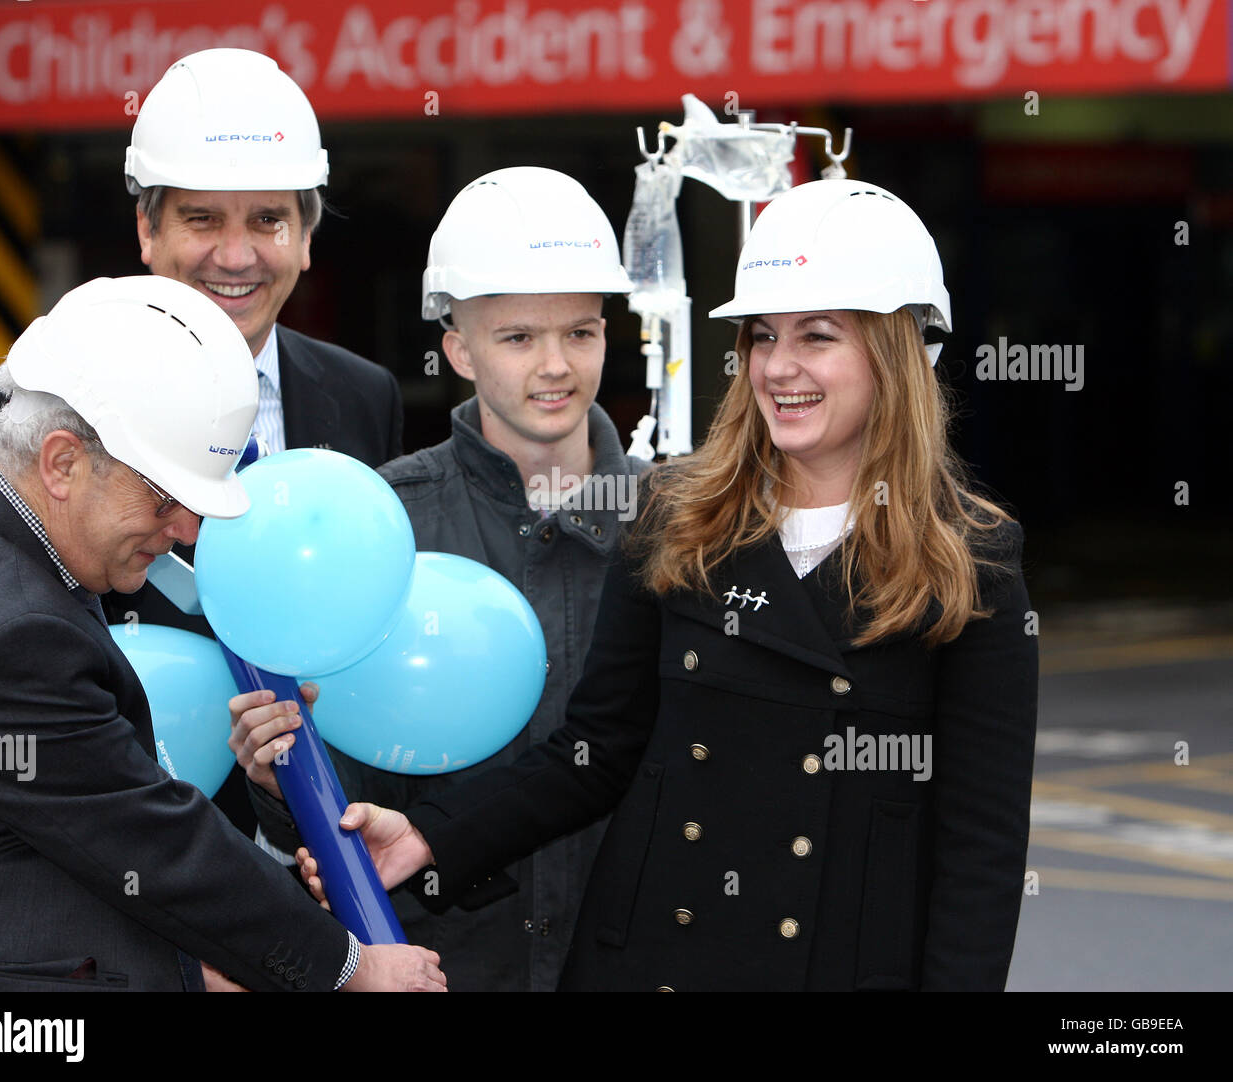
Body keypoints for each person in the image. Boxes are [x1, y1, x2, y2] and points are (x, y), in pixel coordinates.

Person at [290, 178, 1040, 991]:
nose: (779, 368)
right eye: (762, 337)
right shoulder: (679, 517)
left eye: (817, 337)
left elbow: (980, 852)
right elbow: (592, 755)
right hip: (655, 963)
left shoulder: (971, 561)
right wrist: (430, 839)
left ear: (894, 351)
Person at [0, 275, 443, 992]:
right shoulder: (12, 637)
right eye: (165, 496)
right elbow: (156, 842)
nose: (187, 531)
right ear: (61, 463)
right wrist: (349, 968)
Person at [0, 48, 404, 834]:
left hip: (318, 835)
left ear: (307, 238)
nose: (236, 255)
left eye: (268, 219)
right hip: (119, 851)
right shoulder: (20, 405)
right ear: (146, 231)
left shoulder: (363, 396)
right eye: (201, 218)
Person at [232, 167, 648, 991]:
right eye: (518, 337)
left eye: (581, 332)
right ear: (457, 347)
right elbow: (338, 791)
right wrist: (276, 779)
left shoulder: (678, 526)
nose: (555, 365)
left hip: (634, 958)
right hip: (446, 964)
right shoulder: (382, 525)